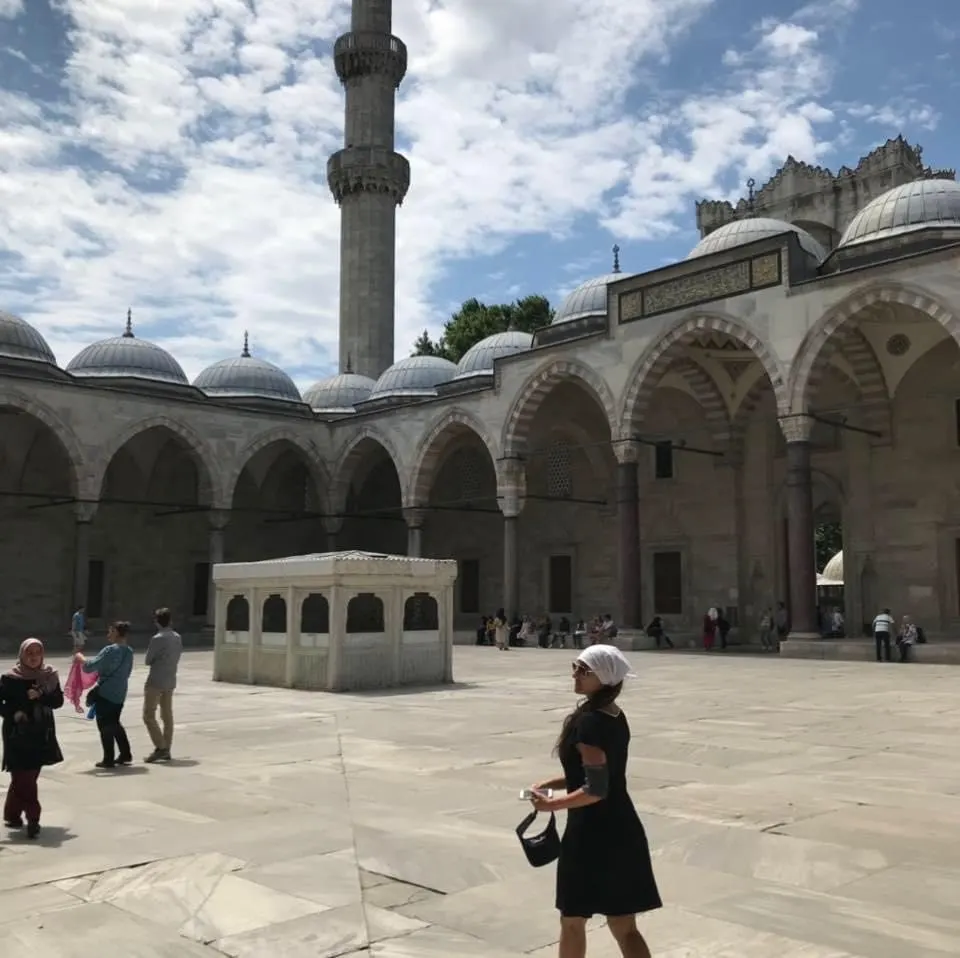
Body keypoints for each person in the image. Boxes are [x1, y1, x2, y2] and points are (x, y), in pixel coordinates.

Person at [530, 645, 660, 957]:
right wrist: (553, 783)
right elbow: (599, 773)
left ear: (602, 677)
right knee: (623, 924)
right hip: (622, 828)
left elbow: (596, 788)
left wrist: (552, 805)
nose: (575, 673)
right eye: (576, 666)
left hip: (592, 834)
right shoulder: (614, 715)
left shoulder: (589, 723)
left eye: (584, 670)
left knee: (573, 919)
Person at [1, 638, 64, 838]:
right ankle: (33, 818)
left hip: (41, 733)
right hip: (17, 733)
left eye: (37, 652)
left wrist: (40, 696)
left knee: (25, 777)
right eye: (30, 653)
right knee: (25, 777)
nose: (34, 656)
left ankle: (12, 814)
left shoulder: (49, 675)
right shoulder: (10, 678)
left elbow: (58, 701)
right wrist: (14, 713)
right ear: (22, 654)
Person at [78, 620, 135, 768]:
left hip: (106, 693)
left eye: (110, 631)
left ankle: (108, 758)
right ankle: (125, 753)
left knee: (105, 725)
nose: (108, 635)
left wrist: (81, 659)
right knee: (115, 722)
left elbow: (90, 667)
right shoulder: (129, 651)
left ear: (116, 632)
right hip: (120, 692)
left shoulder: (110, 650)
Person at [143, 607, 182, 763]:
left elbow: (147, 660)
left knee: (148, 715)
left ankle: (161, 747)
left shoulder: (157, 638)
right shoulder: (177, 637)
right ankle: (167, 746)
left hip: (156, 680)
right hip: (170, 678)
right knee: (167, 715)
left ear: (157, 622)